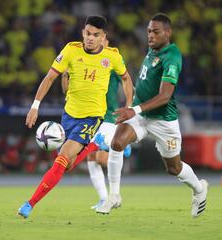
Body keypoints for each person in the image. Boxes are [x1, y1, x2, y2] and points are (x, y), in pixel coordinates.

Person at [17, 16, 134, 218]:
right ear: (83, 33)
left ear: (103, 37)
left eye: (95, 35)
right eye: (88, 33)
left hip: (93, 117)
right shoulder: (71, 50)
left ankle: (30, 203)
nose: (90, 38)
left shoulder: (112, 56)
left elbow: (126, 78)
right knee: (68, 165)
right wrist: (35, 106)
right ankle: (95, 144)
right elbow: (50, 77)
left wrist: (129, 106)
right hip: (69, 116)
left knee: (61, 160)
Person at [95, 13, 208, 218]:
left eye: (156, 32)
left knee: (174, 169)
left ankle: (199, 189)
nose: (151, 36)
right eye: (148, 31)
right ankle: (114, 196)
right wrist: (135, 107)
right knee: (117, 143)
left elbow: (165, 96)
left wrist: (134, 109)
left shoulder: (172, 56)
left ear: (168, 32)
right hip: (140, 115)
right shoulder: (152, 50)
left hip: (164, 120)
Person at [61, 38, 133, 210]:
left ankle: (119, 149)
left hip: (108, 117)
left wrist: (128, 106)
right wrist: (65, 75)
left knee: (99, 157)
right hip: (89, 117)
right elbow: (66, 91)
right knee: (90, 158)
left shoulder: (111, 63)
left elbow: (127, 81)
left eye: (102, 39)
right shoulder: (83, 62)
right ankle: (103, 198)